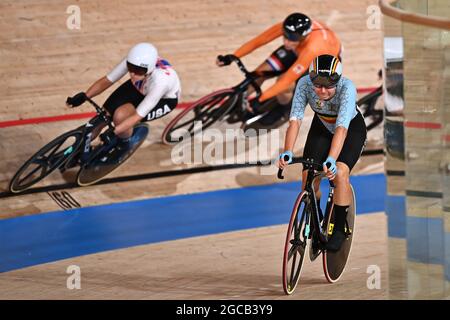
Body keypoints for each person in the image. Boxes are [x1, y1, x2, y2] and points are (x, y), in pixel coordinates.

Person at [277, 54, 366, 252]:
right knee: (308, 175)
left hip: (350, 128)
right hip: (323, 126)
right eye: (318, 85)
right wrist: (288, 151)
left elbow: (341, 129)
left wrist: (332, 160)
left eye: (328, 86)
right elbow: (295, 120)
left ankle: (340, 229)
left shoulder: (347, 88)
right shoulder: (304, 84)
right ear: (311, 79)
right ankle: (317, 221)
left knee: (340, 172)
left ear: (338, 81)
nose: (323, 91)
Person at [217, 13, 341, 129]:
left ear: (304, 37)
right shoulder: (291, 28)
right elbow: (259, 41)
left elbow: (286, 81)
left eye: (291, 39)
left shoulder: (313, 48)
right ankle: (237, 103)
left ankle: (284, 110)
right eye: (285, 37)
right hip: (298, 49)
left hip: (321, 62)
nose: (286, 42)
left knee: (284, 85)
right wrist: (233, 56)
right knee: (261, 71)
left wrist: (260, 99)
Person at [66, 42, 181, 158]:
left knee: (120, 117)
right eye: (130, 68)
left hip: (163, 99)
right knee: (102, 117)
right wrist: (86, 96)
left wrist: (113, 132)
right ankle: (72, 151)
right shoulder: (134, 61)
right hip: (140, 86)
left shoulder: (160, 82)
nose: (132, 74)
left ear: (149, 69)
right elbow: (107, 80)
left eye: (138, 71)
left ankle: (124, 144)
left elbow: (137, 116)